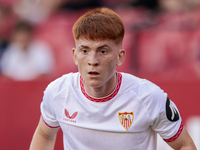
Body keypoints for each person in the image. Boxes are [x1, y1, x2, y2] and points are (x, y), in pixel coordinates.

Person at [29, 7, 196, 150]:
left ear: (120, 56)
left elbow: (184, 145)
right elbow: (44, 133)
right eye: (85, 51)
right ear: (74, 55)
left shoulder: (149, 97)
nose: (92, 61)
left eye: (102, 51)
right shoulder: (58, 92)